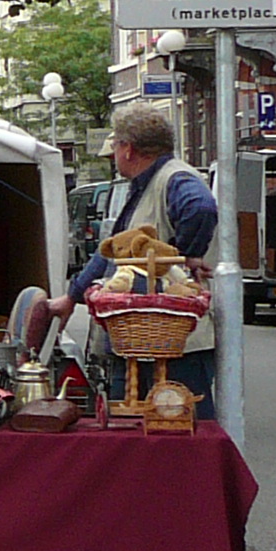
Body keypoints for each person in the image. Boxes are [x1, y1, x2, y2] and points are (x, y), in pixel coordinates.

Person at [36, 99, 218, 412]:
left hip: (175, 346)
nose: (115, 155)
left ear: (128, 149)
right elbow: (114, 251)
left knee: (182, 430)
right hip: (145, 344)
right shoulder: (146, 184)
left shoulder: (175, 178)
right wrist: (72, 296)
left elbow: (201, 208)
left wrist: (182, 256)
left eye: (116, 146)